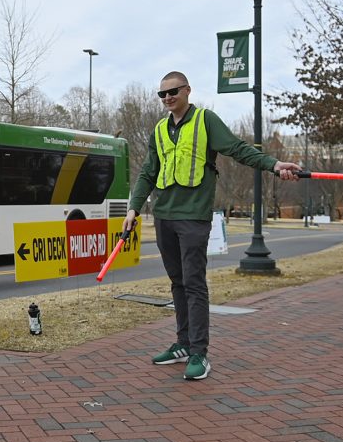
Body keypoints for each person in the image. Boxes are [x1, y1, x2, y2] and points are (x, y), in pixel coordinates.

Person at [123, 72, 300, 380]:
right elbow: (149, 172)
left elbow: (237, 148)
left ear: (187, 90)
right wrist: (133, 208)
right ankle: (182, 343)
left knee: (193, 283)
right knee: (177, 283)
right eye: (161, 94)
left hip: (193, 216)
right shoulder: (160, 130)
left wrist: (274, 165)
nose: (167, 98)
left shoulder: (206, 120)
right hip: (164, 215)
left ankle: (199, 353)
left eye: (173, 91)